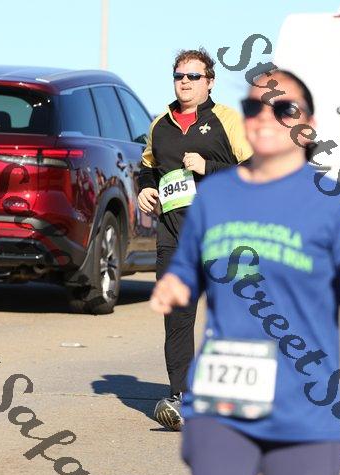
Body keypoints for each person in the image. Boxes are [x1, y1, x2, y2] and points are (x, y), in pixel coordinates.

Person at [150, 69, 340, 475]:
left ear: (308, 126)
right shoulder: (217, 196)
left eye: (284, 109)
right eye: (254, 107)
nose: (266, 117)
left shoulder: (334, 203)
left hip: (303, 409)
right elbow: (187, 265)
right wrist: (175, 284)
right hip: (221, 404)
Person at [138, 47, 252, 431]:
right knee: (177, 320)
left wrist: (210, 167)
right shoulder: (160, 125)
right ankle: (182, 397)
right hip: (174, 236)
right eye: (179, 76)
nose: (184, 82)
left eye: (193, 76)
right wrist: (145, 188)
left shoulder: (227, 120)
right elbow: (147, 166)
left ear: (210, 82)